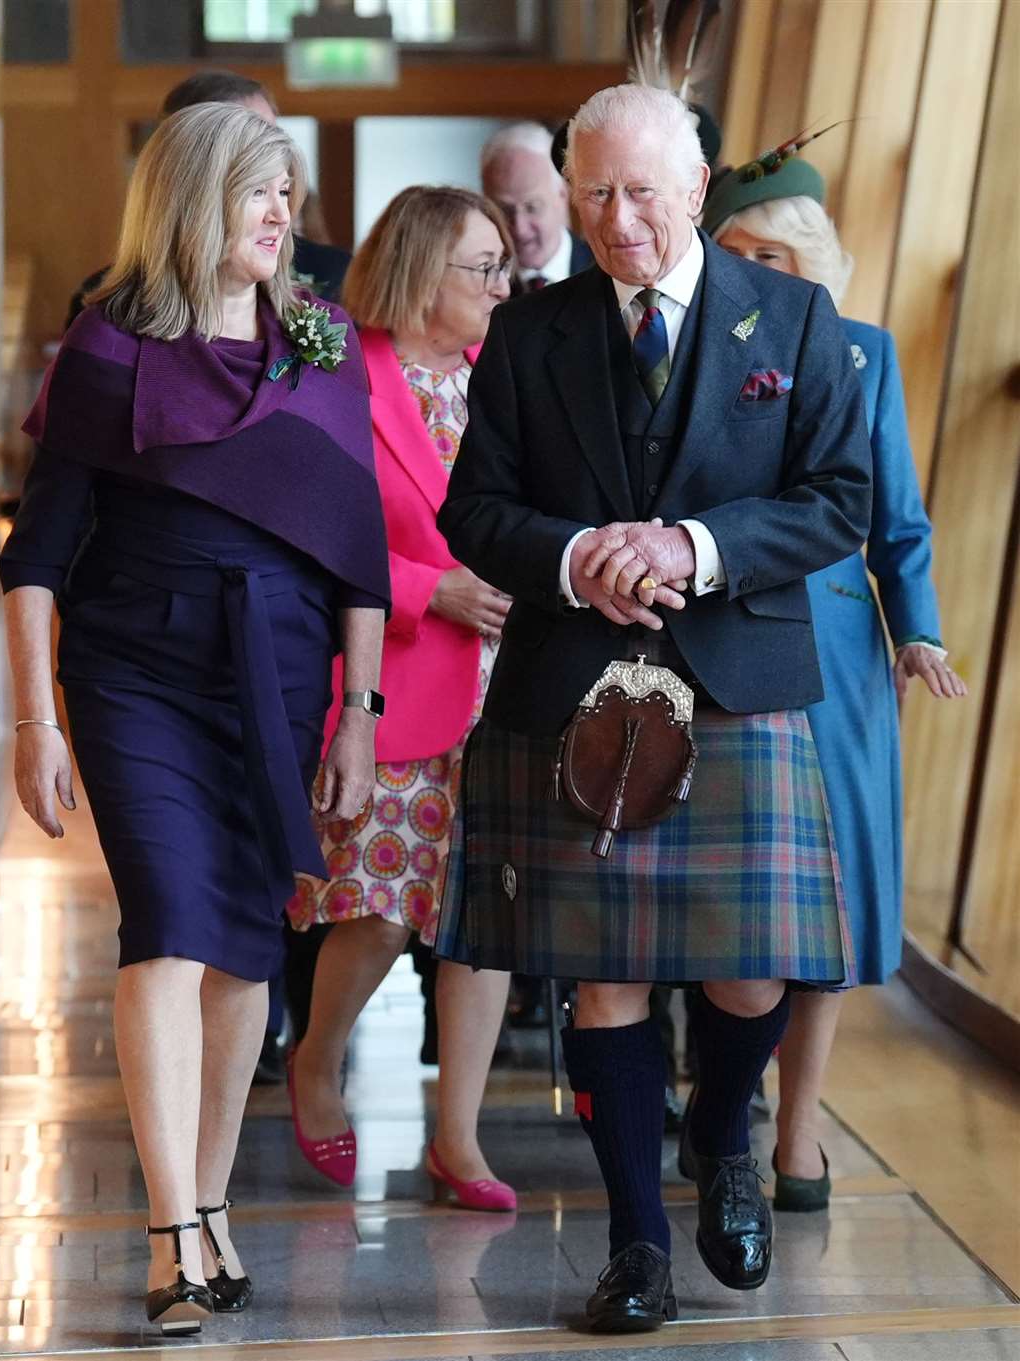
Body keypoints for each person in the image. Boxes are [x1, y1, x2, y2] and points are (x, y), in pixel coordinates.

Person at [433, 84, 873, 1332]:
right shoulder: (531, 333)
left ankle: (724, 1130)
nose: (617, 219)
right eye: (593, 194)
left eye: (640, 193)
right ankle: (635, 1243)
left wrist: (689, 545)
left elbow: (837, 497)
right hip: (579, 680)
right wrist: (579, 557)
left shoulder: (791, 316)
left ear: (696, 186)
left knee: (749, 976)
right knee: (605, 977)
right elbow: (475, 510)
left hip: (738, 679)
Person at [0, 104, 389, 1336]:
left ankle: (209, 1202)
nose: (283, 215)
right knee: (167, 919)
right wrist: (32, 718)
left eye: (287, 194)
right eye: (255, 193)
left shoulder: (320, 351)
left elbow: (361, 559)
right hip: (133, 670)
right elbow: (39, 554)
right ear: (189, 201)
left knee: (245, 941)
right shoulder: (106, 350)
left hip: (276, 667)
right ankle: (175, 1229)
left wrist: (359, 719)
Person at [704, 154, 966, 1211]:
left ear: (813, 265)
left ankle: (799, 1133)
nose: (761, 273)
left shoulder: (865, 354)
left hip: (842, 662)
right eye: (741, 256)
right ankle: (722, 1100)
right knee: (738, 907)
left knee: (837, 911)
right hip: (722, 643)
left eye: (778, 256)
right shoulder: (691, 360)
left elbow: (898, 517)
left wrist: (920, 633)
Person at [286, 186, 517, 1213]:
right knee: (378, 910)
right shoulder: (341, 371)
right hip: (395, 678)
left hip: (508, 686)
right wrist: (434, 589)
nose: (503, 286)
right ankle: (316, 1060)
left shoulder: (501, 380)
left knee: (486, 918)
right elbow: (308, 530)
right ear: (427, 267)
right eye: (485, 265)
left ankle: (458, 1138)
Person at [64, 71, 351, 331]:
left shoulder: (328, 307)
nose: (281, 215)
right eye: (245, 137)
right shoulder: (107, 320)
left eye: (283, 191)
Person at [480, 122, 592, 294]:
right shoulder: (481, 286)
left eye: (532, 208)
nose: (520, 229)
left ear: (562, 194)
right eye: (504, 211)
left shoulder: (606, 270)